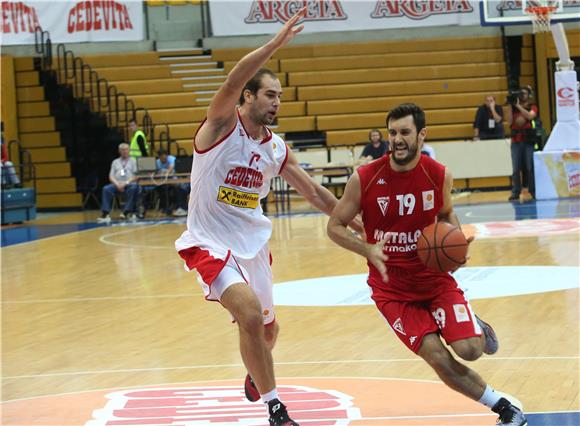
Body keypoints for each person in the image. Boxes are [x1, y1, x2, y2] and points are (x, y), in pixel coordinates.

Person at [174, 9, 362, 426]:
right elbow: (230, 81)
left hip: (252, 246)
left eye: (279, 96)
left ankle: (257, 375)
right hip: (209, 242)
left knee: (268, 332)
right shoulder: (220, 127)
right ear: (248, 97)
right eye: (269, 94)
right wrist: (274, 45)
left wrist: (358, 224)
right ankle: (277, 409)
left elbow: (314, 192)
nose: (276, 102)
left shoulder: (275, 149)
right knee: (248, 312)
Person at [327, 103, 527, 426]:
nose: (397, 139)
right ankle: (504, 407)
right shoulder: (364, 178)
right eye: (392, 133)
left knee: (471, 349)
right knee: (438, 358)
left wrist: (456, 242)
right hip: (392, 291)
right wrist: (366, 248)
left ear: (422, 135)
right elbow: (334, 226)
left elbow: (446, 213)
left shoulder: (438, 174)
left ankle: (474, 323)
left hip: (434, 279)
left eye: (404, 132)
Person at [506, 86, 537, 201]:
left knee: (529, 167)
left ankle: (533, 190)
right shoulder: (513, 109)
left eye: (524, 93)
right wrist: (510, 105)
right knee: (515, 168)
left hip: (528, 141)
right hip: (515, 141)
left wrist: (518, 106)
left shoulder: (532, 106)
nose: (522, 95)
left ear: (528, 95)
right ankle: (516, 191)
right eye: (520, 93)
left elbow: (530, 116)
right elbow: (509, 121)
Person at [97, 143, 141, 223]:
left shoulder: (133, 161)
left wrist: (125, 183)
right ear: (119, 151)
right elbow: (111, 176)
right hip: (117, 184)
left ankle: (126, 212)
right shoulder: (115, 162)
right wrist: (117, 184)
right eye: (122, 150)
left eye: (126, 149)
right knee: (106, 189)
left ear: (129, 151)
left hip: (129, 184)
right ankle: (105, 213)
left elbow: (136, 176)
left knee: (134, 187)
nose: (124, 151)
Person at [1, 123, 21, 187]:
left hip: (1, 161)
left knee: (9, 164)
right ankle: (3, 184)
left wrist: (2, 160)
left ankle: (16, 182)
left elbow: (6, 157)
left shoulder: (1, 145)